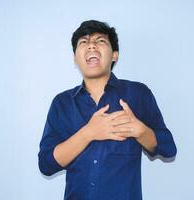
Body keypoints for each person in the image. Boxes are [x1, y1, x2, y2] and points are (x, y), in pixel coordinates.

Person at [38, 19, 177, 200]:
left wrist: (141, 131)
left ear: (115, 55)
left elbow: (168, 149)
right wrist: (88, 133)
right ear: (75, 58)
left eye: (100, 41)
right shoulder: (61, 103)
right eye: (84, 42)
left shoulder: (138, 94)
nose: (91, 46)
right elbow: (46, 164)